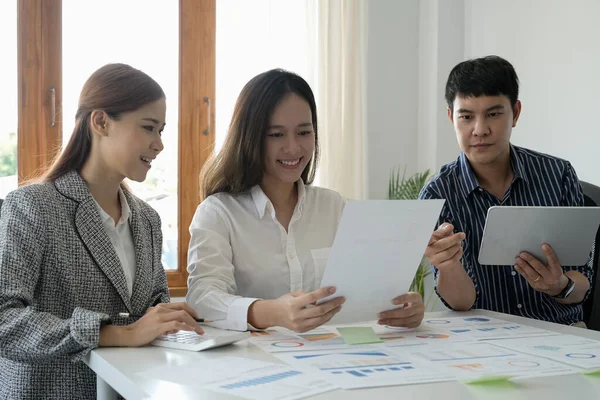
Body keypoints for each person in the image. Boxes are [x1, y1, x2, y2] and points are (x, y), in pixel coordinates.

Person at [0, 63, 203, 399]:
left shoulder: (147, 220)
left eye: (162, 130)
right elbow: (4, 321)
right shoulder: (32, 206)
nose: (159, 145)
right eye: (148, 127)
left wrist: (170, 321)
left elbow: (153, 314)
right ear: (100, 122)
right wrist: (116, 333)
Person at [186, 69, 425, 332]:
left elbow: (370, 290)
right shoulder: (219, 213)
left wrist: (403, 306)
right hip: (253, 361)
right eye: (276, 134)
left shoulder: (335, 207)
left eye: (303, 132)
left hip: (328, 356)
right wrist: (271, 312)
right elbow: (202, 298)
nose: (293, 148)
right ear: (250, 137)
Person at [419, 55, 592, 326]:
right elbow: (462, 304)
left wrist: (558, 285)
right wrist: (448, 264)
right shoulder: (436, 194)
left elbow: (583, 284)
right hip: (485, 342)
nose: (480, 130)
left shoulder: (558, 175)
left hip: (561, 332)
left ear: (516, 113)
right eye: (466, 117)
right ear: (452, 117)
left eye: (493, 114)